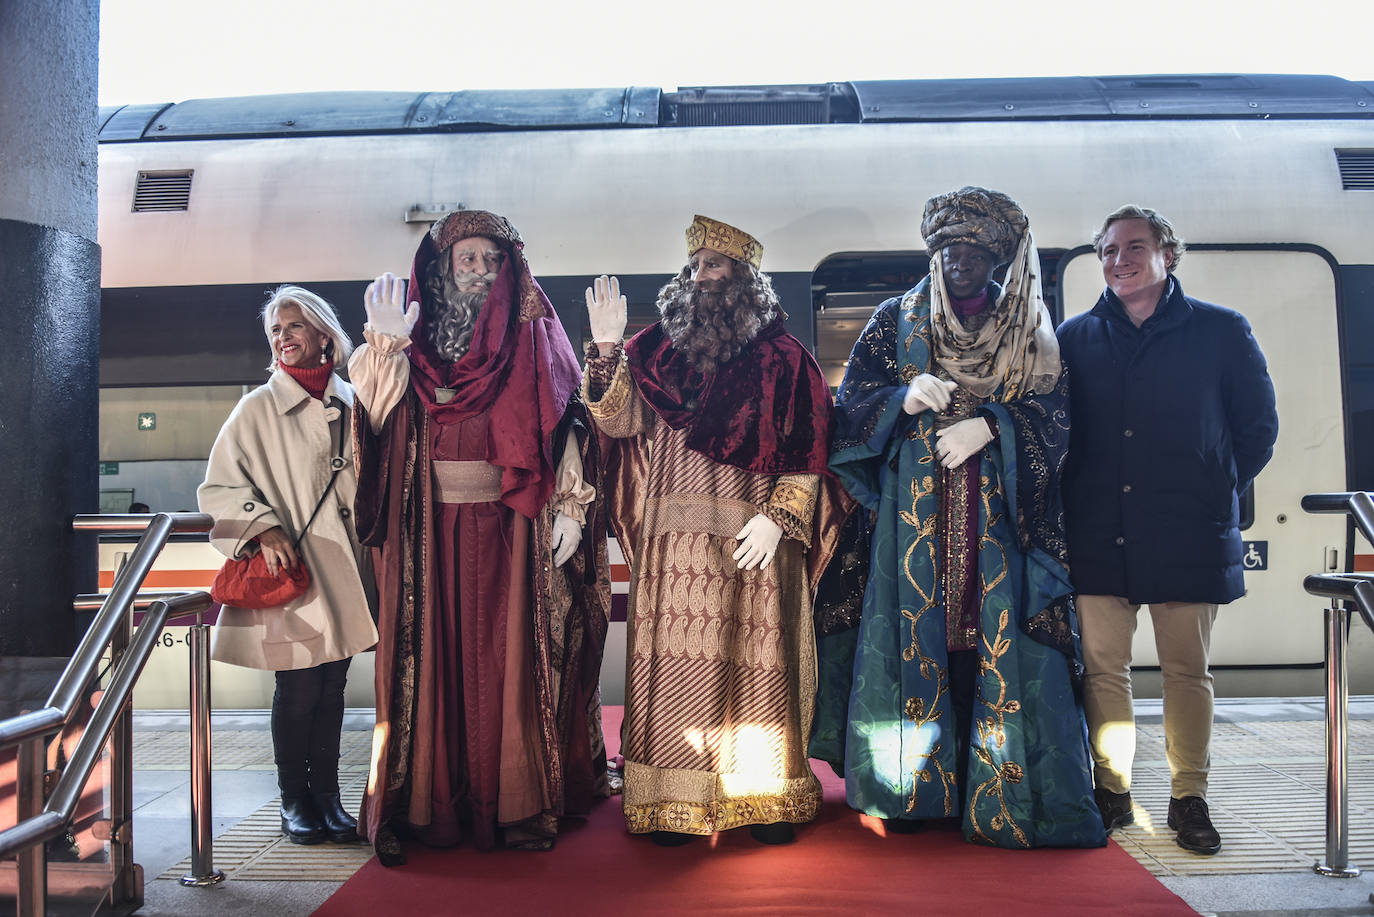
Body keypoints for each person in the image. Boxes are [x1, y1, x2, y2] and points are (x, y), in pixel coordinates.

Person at [814, 187, 1105, 848]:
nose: (959, 261)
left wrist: (993, 426)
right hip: (910, 525)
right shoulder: (894, 320)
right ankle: (913, 789)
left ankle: (994, 787)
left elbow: (1058, 420)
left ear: (996, 258)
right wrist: (900, 398)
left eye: (973, 250)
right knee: (922, 639)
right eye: (948, 249)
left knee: (990, 645)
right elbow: (849, 410)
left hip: (1001, 522)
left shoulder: (1027, 328)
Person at [351, 209, 612, 861]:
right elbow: (376, 421)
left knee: (509, 666)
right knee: (430, 666)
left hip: (510, 533)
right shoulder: (407, 344)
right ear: (444, 268)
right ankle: (428, 806)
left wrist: (572, 508)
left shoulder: (534, 339)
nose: (478, 270)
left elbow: (565, 422)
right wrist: (383, 350)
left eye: (491, 259)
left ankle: (515, 804)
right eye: (466, 258)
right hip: (429, 538)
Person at [583, 215, 848, 846]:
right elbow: (617, 424)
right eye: (696, 266)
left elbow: (810, 446)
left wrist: (781, 518)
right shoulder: (655, 351)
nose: (703, 277)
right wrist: (607, 350)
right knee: (675, 668)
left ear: (744, 278)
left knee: (759, 663)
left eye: (716, 265)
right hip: (671, 543)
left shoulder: (786, 359)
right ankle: (670, 799)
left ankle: (764, 797)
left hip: (755, 535)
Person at [1057, 206, 1278, 855]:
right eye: (1107, 250)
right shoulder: (1074, 338)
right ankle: (1113, 789)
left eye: (1134, 246)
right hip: (1098, 532)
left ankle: (1189, 796)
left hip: (1188, 531)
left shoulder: (1222, 331)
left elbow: (1258, 429)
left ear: (1167, 254)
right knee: (1104, 671)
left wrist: (1212, 484)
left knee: (1187, 670)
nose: (1118, 259)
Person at [198, 285, 379, 845]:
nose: (283, 337)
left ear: (324, 334)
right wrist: (262, 526)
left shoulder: (357, 402)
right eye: (276, 330)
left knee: (332, 687)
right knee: (298, 688)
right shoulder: (255, 409)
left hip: (347, 568)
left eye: (294, 326)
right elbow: (219, 487)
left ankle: (327, 797)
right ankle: (293, 800)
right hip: (295, 571)